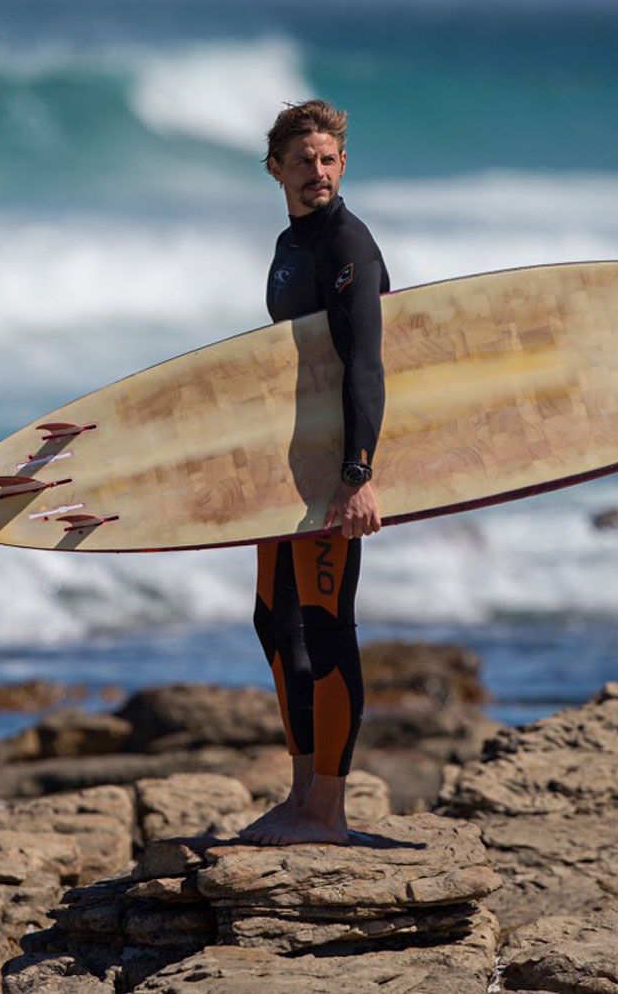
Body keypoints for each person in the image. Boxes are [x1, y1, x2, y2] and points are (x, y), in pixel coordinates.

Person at [239, 99, 388, 846]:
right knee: (276, 622)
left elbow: (366, 363)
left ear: (343, 165)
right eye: (303, 160)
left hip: (334, 471)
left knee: (328, 628)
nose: (318, 172)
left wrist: (358, 473)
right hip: (288, 468)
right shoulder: (289, 244)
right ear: (277, 169)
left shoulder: (347, 245)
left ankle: (329, 810)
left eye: (329, 159)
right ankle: (300, 795)